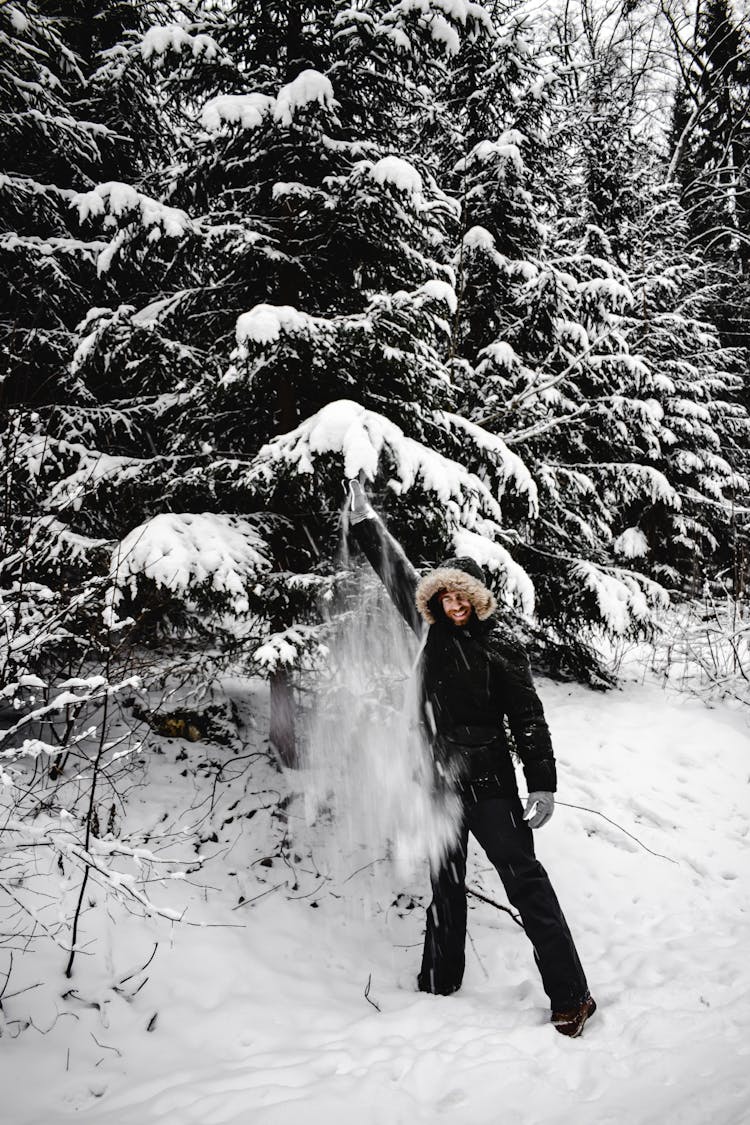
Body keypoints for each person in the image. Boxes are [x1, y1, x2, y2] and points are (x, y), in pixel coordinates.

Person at [347, 480, 596, 1038]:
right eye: (443, 598)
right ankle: (439, 981)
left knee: (525, 882)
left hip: (489, 784)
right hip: (439, 782)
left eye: (461, 597)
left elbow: (529, 718)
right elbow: (394, 572)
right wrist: (364, 520)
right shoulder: (428, 634)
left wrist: (543, 785)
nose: (452, 605)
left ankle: (572, 995)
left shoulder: (502, 644)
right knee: (445, 880)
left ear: (476, 597)